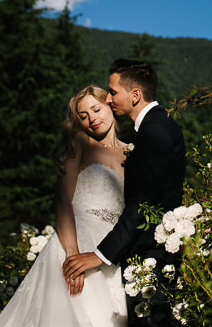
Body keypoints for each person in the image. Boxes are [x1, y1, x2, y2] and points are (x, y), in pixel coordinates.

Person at [0, 85, 128, 326]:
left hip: (110, 249)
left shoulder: (130, 152)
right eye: (83, 116)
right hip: (76, 242)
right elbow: (63, 201)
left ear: (109, 105)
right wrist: (72, 257)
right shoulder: (79, 144)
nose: (91, 119)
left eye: (96, 109)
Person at [63, 59, 186, 326]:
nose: (108, 98)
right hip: (133, 252)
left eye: (113, 92)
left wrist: (98, 255)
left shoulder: (154, 132)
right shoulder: (151, 129)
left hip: (151, 255)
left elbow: (144, 203)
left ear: (136, 95)